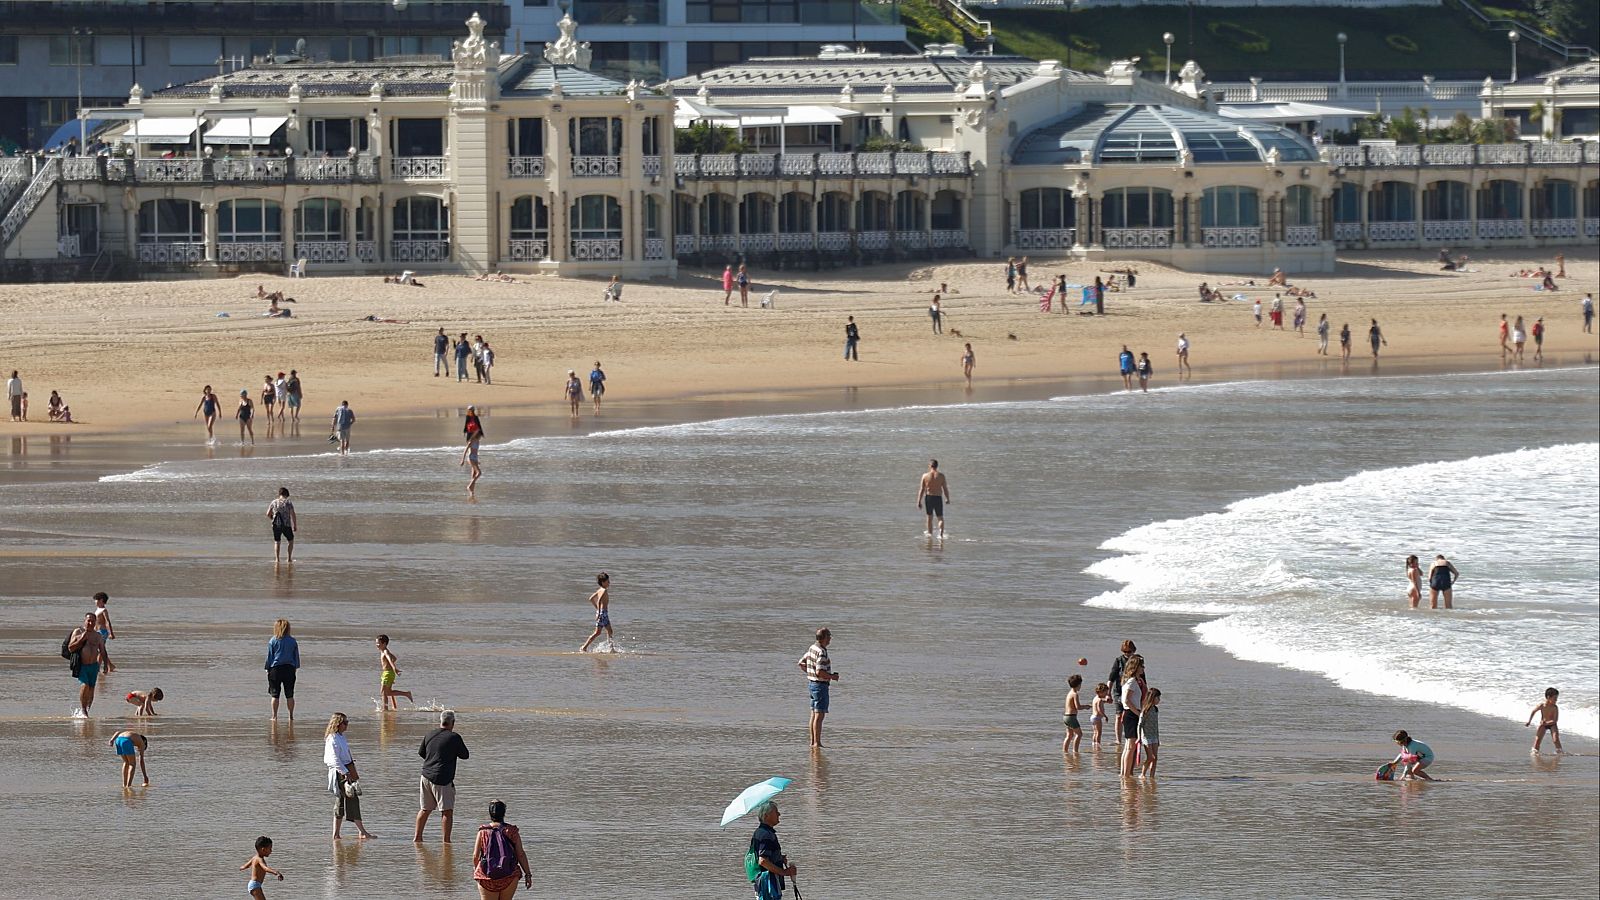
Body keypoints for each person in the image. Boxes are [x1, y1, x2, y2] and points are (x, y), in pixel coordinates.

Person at [415, 709, 470, 843]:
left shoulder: (429, 734)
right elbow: (465, 755)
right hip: (442, 779)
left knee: (425, 809)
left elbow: (422, 753)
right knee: (447, 811)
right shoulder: (454, 737)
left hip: (425, 776)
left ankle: (417, 838)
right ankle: (446, 842)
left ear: (440, 721)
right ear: (453, 723)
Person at [324, 712, 376, 839]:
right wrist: (345, 772)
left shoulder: (340, 737)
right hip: (341, 772)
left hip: (347, 770)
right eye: (345, 723)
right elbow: (333, 759)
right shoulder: (333, 738)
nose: (347, 726)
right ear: (338, 724)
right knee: (351, 800)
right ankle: (362, 832)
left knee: (342, 801)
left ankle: (337, 834)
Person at [472, 800, 532, 899]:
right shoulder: (512, 831)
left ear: (490, 813)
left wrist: (477, 870)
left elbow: (475, 856)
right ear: (504, 813)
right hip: (509, 875)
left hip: (487, 877)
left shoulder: (482, 832)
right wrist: (528, 874)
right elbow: (520, 854)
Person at [798, 627, 839, 749]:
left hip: (812, 684)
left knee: (813, 714)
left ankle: (813, 742)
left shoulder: (812, 648)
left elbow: (801, 663)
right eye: (829, 636)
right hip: (820, 685)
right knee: (819, 715)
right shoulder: (821, 652)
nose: (830, 639)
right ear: (824, 638)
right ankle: (817, 743)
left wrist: (809, 672)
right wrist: (832, 676)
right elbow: (819, 672)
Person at [67, 612, 115, 716]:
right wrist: (81, 639)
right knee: (85, 685)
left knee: (92, 688)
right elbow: (70, 648)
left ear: (95, 623)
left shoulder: (98, 636)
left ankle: (87, 710)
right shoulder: (78, 631)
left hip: (94, 666)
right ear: (85, 621)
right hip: (82, 665)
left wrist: (106, 665)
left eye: (92, 621)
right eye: (88, 621)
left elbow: (103, 651)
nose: (90, 623)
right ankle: (83, 710)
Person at [749, 801, 796, 900]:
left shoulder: (760, 832)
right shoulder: (766, 835)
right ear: (766, 816)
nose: (779, 814)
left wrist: (778, 857)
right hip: (768, 884)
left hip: (762, 882)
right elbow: (763, 861)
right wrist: (784, 872)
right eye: (776, 812)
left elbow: (761, 855)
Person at [266, 618, 300, 720]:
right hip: (289, 668)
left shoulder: (273, 640)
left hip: (275, 669)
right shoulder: (293, 641)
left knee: (275, 694)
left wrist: (267, 668)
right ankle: (291, 716)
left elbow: (270, 657)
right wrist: (295, 667)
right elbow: (296, 657)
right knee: (290, 694)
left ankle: (274, 716)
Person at [1118, 655, 1147, 777]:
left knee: (1128, 746)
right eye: (1141, 666)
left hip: (1131, 714)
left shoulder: (1134, 681)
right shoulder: (1131, 681)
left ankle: (1125, 773)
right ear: (1135, 667)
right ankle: (1125, 774)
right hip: (1131, 715)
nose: (1143, 668)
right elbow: (1126, 700)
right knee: (1130, 746)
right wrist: (1138, 713)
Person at [578, 573, 614, 653]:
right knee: (601, 632)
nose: (609, 583)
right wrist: (598, 612)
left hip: (603, 613)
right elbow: (599, 600)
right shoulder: (603, 590)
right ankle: (584, 647)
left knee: (606, 631)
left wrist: (598, 610)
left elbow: (591, 598)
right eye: (608, 581)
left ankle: (611, 648)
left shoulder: (599, 590)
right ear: (603, 582)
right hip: (603, 614)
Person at [916, 458, 951, 538]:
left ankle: (930, 534)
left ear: (930, 466)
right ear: (937, 466)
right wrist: (947, 498)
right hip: (938, 497)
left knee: (929, 517)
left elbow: (922, 489)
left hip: (929, 497)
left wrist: (919, 501)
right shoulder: (941, 476)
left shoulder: (925, 476)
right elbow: (945, 488)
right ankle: (941, 534)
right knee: (940, 517)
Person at [377, 634, 414, 709]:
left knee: (383, 692)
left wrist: (394, 668)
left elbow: (390, 659)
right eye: (376, 643)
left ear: (384, 644)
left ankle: (385, 709)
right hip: (387, 673)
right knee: (387, 692)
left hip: (388, 673)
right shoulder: (383, 651)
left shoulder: (385, 651)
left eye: (378, 643)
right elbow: (394, 658)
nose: (377, 645)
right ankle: (406, 694)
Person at [1525, 687, 1563, 754]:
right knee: (1537, 739)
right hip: (1543, 724)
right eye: (1555, 698)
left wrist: (1547, 722)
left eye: (1557, 698)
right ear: (1548, 697)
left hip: (1552, 724)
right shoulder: (1542, 705)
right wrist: (1529, 721)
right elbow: (1533, 711)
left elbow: (1555, 720)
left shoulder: (1555, 707)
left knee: (1555, 739)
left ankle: (1560, 752)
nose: (1556, 700)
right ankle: (1535, 752)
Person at [1138, 688, 1161, 777]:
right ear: (1152, 698)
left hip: (1154, 736)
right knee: (1150, 757)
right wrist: (1139, 737)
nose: (1159, 700)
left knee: (1155, 758)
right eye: (1158, 698)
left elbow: (1156, 725)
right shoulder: (1145, 710)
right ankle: (1142, 774)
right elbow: (1140, 724)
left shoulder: (1155, 709)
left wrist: (1158, 738)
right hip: (1146, 737)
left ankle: (1152, 776)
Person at [461, 409, 483, 492]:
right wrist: (462, 460)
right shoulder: (472, 440)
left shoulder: (478, 441)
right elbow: (466, 450)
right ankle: (469, 486)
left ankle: (472, 492)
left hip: (475, 458)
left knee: (473, 475)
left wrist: (478, 460)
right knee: (479, 473)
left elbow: (476, 452)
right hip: (470, 458)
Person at [1062, 674, 1084, 753]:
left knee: (1069, 735)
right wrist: (1086, 706)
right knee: (1079, 734)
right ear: (1078, 685)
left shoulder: (1069, 693)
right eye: (1080, 684)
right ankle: (1075, 751)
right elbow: (1078, 707)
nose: (1081, 686)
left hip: (1066, 716)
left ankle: (1065, 751)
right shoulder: (1075, 694)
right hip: (1071, 717)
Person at [1090, 682, 1111, 748]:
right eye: (1105, 693)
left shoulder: (1095, 698)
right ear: (1100, 692)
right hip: (1097, 718)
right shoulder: (1099, 700)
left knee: (1095, 732)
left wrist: (1106, 701)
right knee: (1099, 732)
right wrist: (1105, 716)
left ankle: (1094, 743)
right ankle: (1098, 744)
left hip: (1093, 717)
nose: (1106, 694)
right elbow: (1099, 710)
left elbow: (1101, 702)